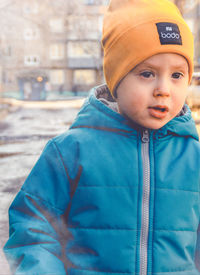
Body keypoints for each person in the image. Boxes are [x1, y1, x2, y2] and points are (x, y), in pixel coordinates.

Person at [4, 0, 200, 274]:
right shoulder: (71, 151)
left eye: (177, 75)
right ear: (116, 80)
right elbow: (33, 225)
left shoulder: (193, 158)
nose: (163, 89)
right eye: (147, 73)